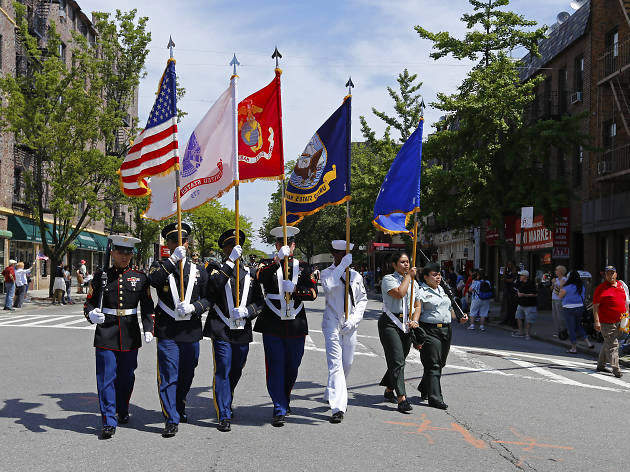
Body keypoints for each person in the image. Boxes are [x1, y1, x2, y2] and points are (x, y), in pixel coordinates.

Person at [84, 235, 154, 439]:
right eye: (121, 252)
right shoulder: (101, 276)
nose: (125, 256)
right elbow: (89, 302)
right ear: (113, 253)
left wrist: (148, 328)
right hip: (106, 331)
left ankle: (122, 408)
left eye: (128, 252)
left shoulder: (140, 277)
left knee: (126, 377)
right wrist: (91, 314)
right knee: (106, 378)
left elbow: (147, 306)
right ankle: (108, 419)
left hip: (130, 332)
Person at [148, 222, 210, 437]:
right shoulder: (159, 265)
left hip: (191, 328)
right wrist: (172, 259)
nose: (180, 244)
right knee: (168, 374)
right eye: (174, 241)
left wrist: (195, 307)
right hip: (167, 329)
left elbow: (209, 297)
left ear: (188, 243)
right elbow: (153, 281)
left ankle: (179, 405)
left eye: (183, 240)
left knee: (187, 372)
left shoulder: (200, 270)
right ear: (168, 244)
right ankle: (170, 417)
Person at [254, 226, 317, 427]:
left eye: (288, 243)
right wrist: (277, 261)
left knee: (292, 366)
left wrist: (296, 290)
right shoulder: (267, 265)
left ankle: (285, 397)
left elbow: (313, 293)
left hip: (296, 323)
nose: (285, 246)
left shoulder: (305, 266)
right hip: (272, 321)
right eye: (281, 243)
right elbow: (260, 278)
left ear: (293, 245)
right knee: (275, 366)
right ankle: (279, 407)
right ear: (276, 245)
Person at [203, 229, 264, 433]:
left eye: (236, 246)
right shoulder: (215, 268)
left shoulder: (251, 273)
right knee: (223, 368)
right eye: (230, 246)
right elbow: (214, 287)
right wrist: (230, 263)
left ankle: (226, 397)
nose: (234, 249)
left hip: (242, 329)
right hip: (220, 327)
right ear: (224, 250)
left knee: (237, 368)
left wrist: (249, 311)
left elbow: (260, 302)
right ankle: (224, 413)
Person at [320, 240, 368, 423]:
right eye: (340, 254)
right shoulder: (327, 273)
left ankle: (330, 391)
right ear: (335, 254)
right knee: (336, 365)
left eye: (347, 254)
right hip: (332, 323)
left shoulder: (356, 275)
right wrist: (342, 267)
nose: (344, 257)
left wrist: (354, 319)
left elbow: (362, 299)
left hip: (350, 325)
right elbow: (329, 286)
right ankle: (338, 407)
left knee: (347, 363)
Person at [412, 263, 468, 409]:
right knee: (434, 364)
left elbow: (449, 311)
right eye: (434, 275)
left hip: (446, 329)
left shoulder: (444, 290)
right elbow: (416, 310)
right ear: (425, 277)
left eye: (439, 275)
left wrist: (460, 318)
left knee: (441, 363)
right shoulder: (420, 291)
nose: (438, 277)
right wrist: (415, 330)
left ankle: (425, 387)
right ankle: (435, 398)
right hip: (429, 330)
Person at [378, 252, 420, 413]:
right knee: (396, 360)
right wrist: (408, 277)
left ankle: (389, 389)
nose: (406, 265)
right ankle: (402, 398)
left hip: (407, 324)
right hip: (390, 323)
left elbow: (417, 305)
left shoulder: (414, 282)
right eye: (402, 262)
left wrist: (415, 320)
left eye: (408, 262)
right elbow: (399, 293)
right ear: (394, 265)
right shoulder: (389, 279)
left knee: (400, 360)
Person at [592, 265, 628, 378]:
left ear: (616, 274)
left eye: (612, 273)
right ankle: (616, 369)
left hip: (622, 320)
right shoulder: (600, 288)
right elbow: (595, 307)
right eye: (608, 273)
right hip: (607, 322)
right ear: (605, 275)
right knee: (613, 344)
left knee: (609, 341)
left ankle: (601, 365)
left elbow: (625, 303)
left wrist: (628, 317)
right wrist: (596, 321)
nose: (611, 275)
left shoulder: (621, 285)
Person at [558, 271, 594, 353]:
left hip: (568, 308)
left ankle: (573, 348)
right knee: (578, 326)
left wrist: (560, 286)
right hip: (579, 308)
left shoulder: (566, 287)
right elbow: (583, 296)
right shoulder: (581, 286)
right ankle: (588, 343)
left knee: (571, 328)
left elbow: (560, 296)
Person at [551, 265, 568, 337]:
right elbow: (552, 289)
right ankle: (558, 331)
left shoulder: (564, 279)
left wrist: (555, 283)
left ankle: (563, 331)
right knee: (555, 316)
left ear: (560, 271)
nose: (555, 271)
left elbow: (560, 289)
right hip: (554, 299)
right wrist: (553, 284)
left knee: (560, 316)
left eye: (556, 270)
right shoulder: (557, 279)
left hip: (560, 299)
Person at [501, 262, 517, 326]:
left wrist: (505, 279)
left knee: (511, 307)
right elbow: (503, 276)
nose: (509, 266)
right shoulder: (508, 271)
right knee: (507, 306)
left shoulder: (515, 272)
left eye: (510, 265)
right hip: (507, 290)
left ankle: (512, 321)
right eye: (508, 265)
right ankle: (506, 319)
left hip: (512, 291)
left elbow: (512, 280)